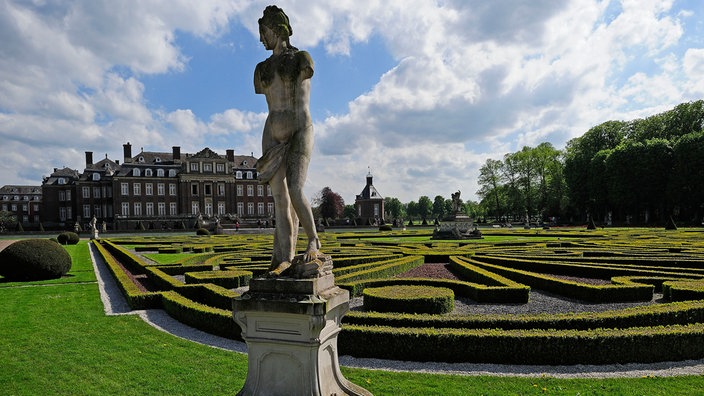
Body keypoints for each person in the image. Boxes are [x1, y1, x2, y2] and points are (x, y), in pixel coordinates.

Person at [254, 5, 320, 275]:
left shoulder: (301, 59)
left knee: (295, 189)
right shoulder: (261, 69)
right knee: (279, 199)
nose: (261, 39)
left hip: (300, 130)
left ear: (277, 29)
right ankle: (285, 257)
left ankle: (314, 239)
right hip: (271, 134)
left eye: (264, 32)